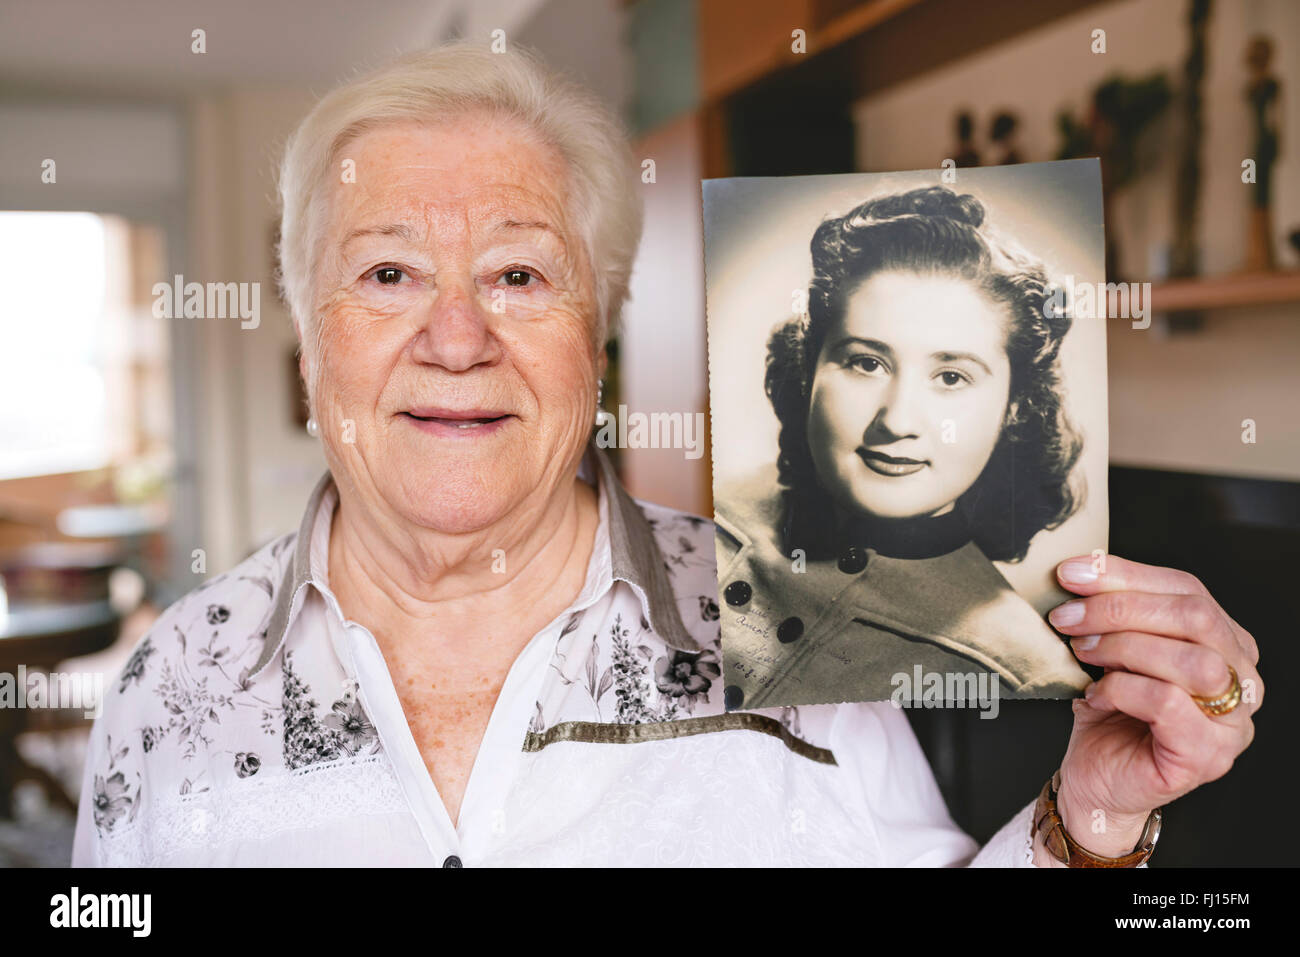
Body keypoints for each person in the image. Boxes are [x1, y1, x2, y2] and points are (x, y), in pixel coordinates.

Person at [73, 41, 1261, 867]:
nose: (455, 337)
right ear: (306, 337)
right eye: (387, 273)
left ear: (597, 338)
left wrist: (1092, 818)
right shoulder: (167, 691)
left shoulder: (802, 618)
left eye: (520, 275)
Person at [717, 185, 1092, 709]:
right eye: (866, 362)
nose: (896, 421)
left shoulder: (1029, 677)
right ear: (809, 368)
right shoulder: (696, 523)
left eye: (952, 376)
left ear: (1014, 407)